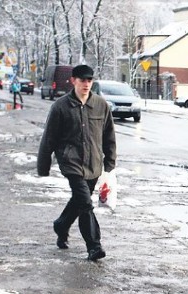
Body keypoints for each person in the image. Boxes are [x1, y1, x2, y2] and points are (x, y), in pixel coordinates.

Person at [37, 64, 116, 261]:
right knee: (86, 204)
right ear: (73, 81)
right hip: (71, 162)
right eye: (82, 80)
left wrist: (109, 164)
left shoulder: (101, 105)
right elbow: (49, 138)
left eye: (89, 80)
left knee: (80, 201)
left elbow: (109, 136)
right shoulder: (61, 106)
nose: (86, 84)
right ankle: (94, 246)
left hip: (94, 164)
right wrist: (43, 165)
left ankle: (61, 225)